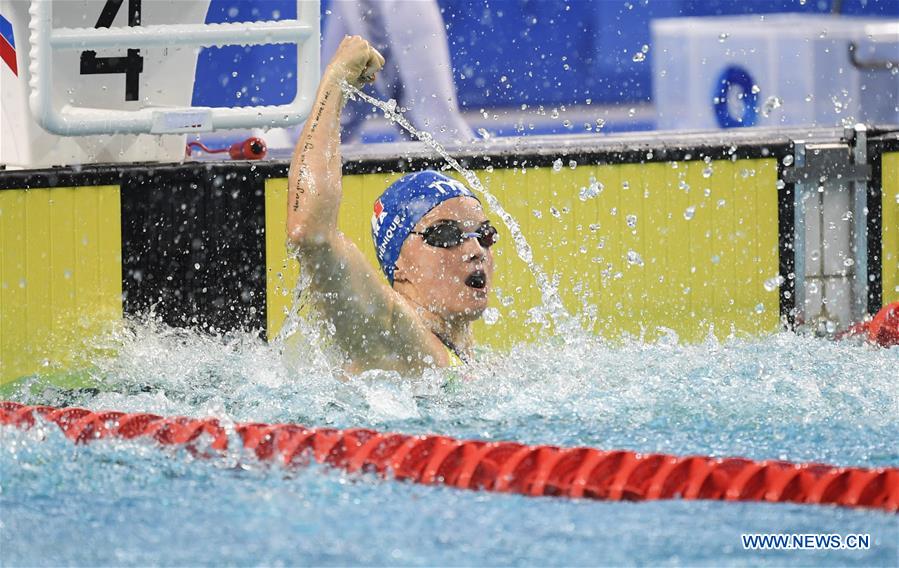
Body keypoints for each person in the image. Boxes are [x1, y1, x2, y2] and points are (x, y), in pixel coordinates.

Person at [287, 36, 498, 375]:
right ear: (398, 263)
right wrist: (336, 81)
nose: (476, 250)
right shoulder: (397, 341)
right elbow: (310, 233)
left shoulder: (458, 357)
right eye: (446, 235)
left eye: (484, 235)